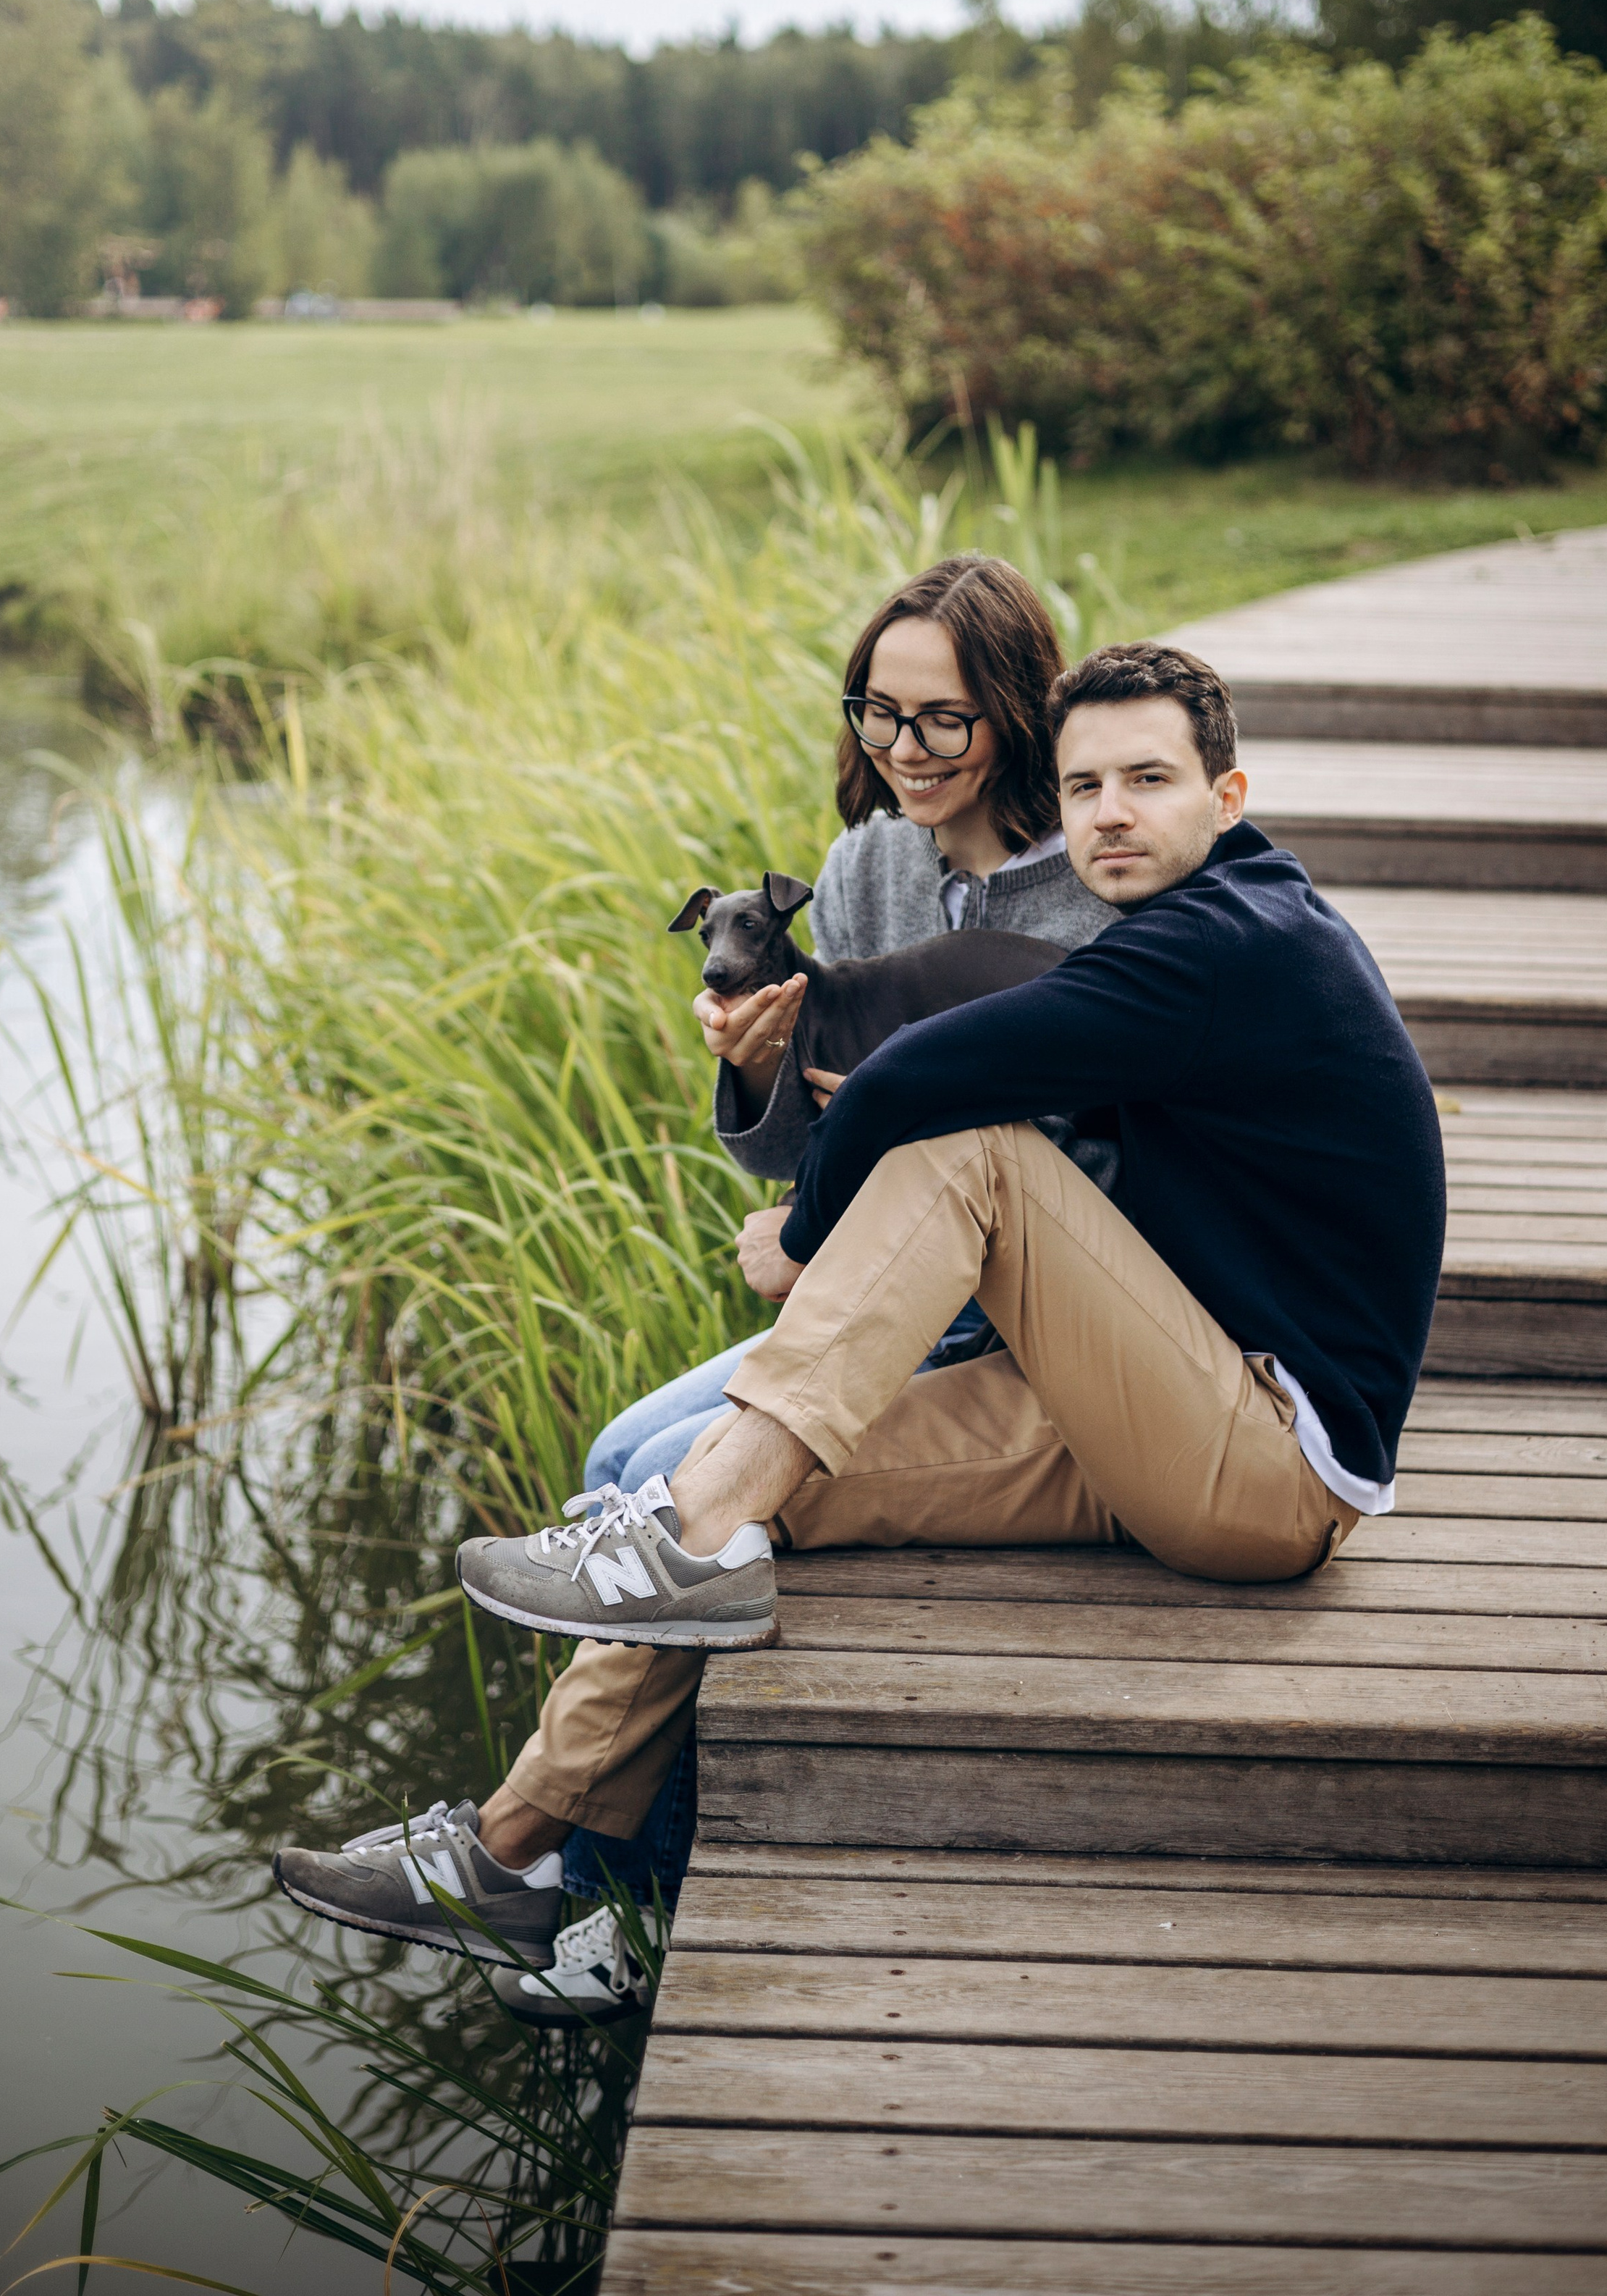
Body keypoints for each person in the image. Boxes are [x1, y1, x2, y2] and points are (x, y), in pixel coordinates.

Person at [271, 640, 1446, 2024]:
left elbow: (915, 1079)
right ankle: (511, 1853)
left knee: (977, 1152)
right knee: (733, 1483)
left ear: (1228, 793)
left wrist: (808, 1236)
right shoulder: (1186, 927)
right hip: (1158, 1413)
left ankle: (668, 1566)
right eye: (1085, 786)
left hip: (1269, 1457)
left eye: (1149, 779)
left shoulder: (1228, 946)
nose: (1112, 812)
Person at [586, 550, 1118, 1501]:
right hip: (870, 1290)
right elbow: (801, 1149)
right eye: (878, 710)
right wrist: (759, 1072)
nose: (904, 747)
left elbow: (1107, 1149)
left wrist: (881, 1136)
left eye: (944, 719)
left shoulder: (1100, 890)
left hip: (1022, 1319)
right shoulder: (864, 865)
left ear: (1019, 714)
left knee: (651, 1478)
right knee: (610, 1457)